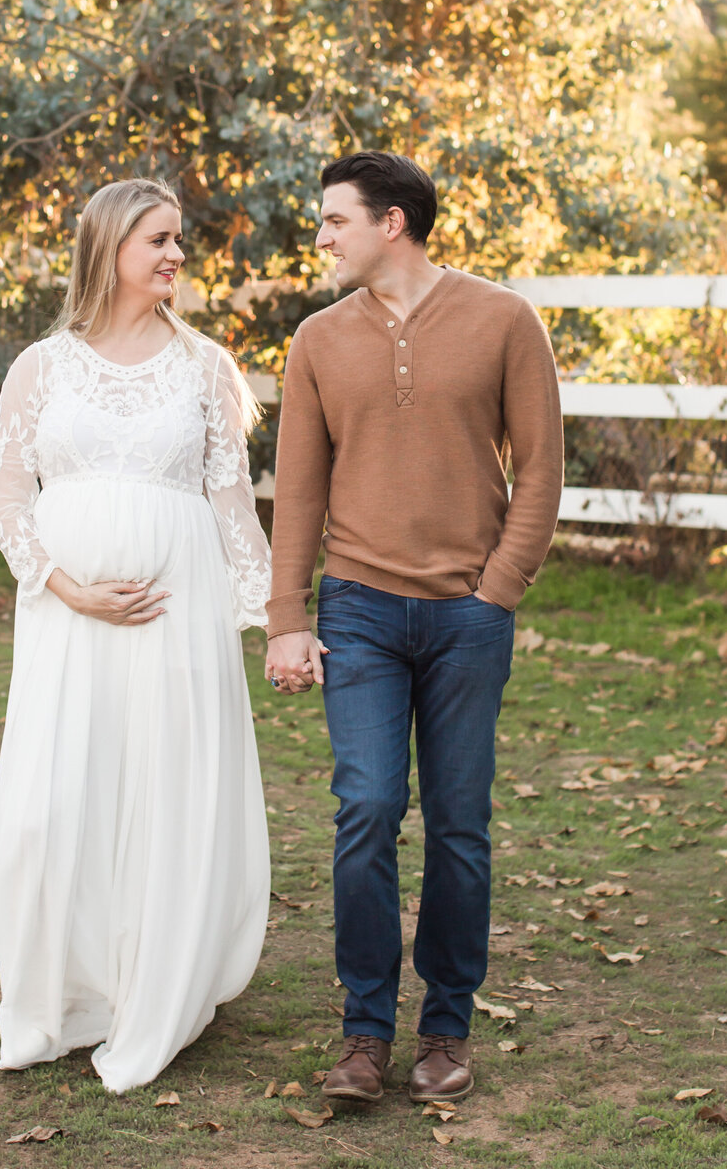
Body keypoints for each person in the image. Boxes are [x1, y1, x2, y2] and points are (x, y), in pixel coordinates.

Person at [265, 152, 562, 1105]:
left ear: (393, 223)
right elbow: (299, 491)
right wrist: (286, 618)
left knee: (460, 826)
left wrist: (498, 590)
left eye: (334, 220)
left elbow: (543, 471)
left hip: (467, 618)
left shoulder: (504, 320)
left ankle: (445, 1029)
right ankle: (364, 1033)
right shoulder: (316, 340)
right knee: (366, 810)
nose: (321, 237)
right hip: (358, 610)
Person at [0, 178, 271, 1093]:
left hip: (174, 616)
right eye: (158, 239)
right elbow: (6, 494)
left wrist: (276, 618)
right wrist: (66, 587)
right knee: (51, 806)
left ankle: (154, 987)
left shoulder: (204, 367)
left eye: (178, 240)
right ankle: (62, 997)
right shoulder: (41, 365)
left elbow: (233, 508)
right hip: (66, 623)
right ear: (110, 246)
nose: (175, 256)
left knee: (162, 795)